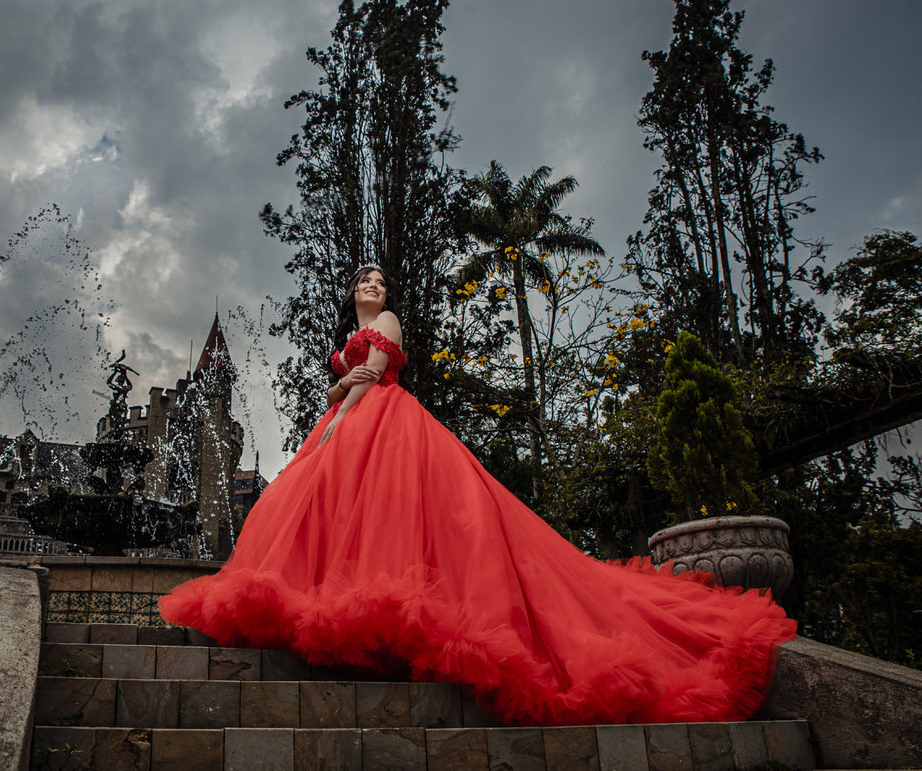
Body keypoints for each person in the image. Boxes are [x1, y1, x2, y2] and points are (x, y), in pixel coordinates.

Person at [160, 265, 795, 726]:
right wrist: (337, 400)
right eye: (364, 282)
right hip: (349, 418)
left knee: (390, 513)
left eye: (380, 282)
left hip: (379, 422)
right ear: (351, 294)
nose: (373, 288)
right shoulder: (356, 332)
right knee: (338, 516)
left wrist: (339, 418)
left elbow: (373, 375)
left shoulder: (387, 322)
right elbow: (343, 384)